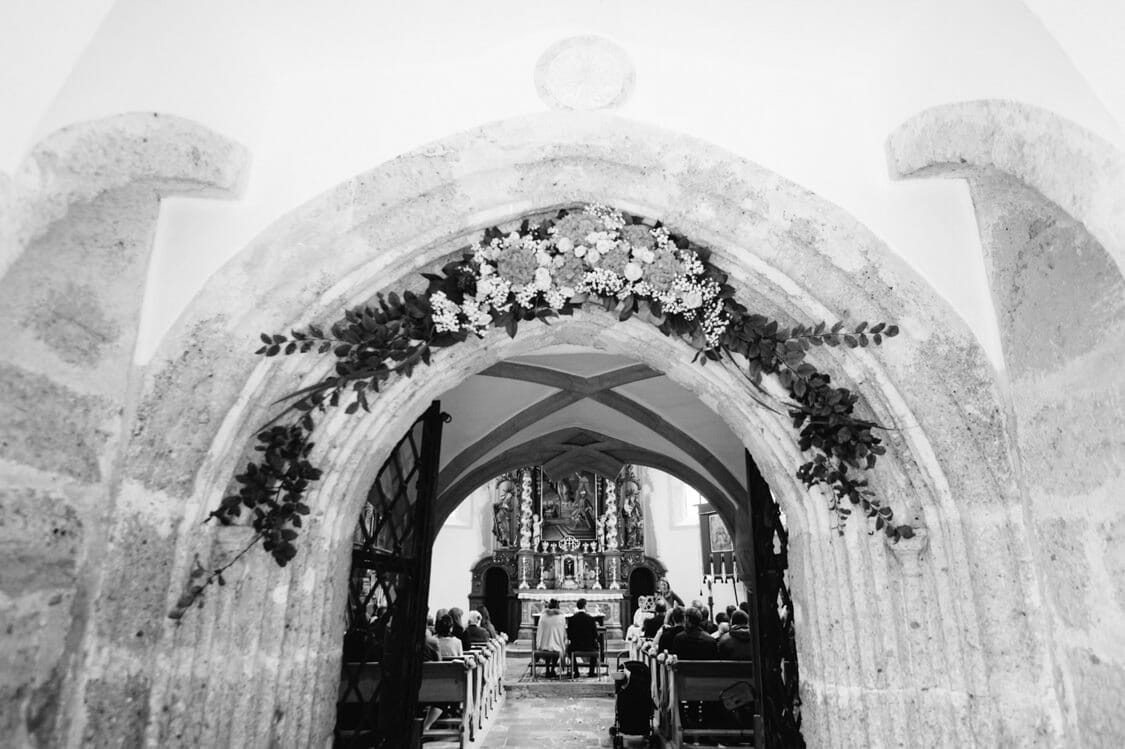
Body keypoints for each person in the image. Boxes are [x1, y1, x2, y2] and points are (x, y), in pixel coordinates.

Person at [567, 598, 600, 677]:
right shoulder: (591, 619)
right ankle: (591, 672)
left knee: (569, 650)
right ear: (585, 606)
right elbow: (595, 635)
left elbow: (569, 635)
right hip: (589, 646)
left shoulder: (572, 619)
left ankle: (576, 671)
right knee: (596, 647)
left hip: (575, 646)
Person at [535, 599, 567, 677]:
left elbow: (540, 629)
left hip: (544, 644)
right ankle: (552, 669)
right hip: (556, 644)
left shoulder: (543, 616)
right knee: (558, 646)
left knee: (548, 646)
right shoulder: (561, 616)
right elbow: (562, 630)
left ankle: (547, 669)